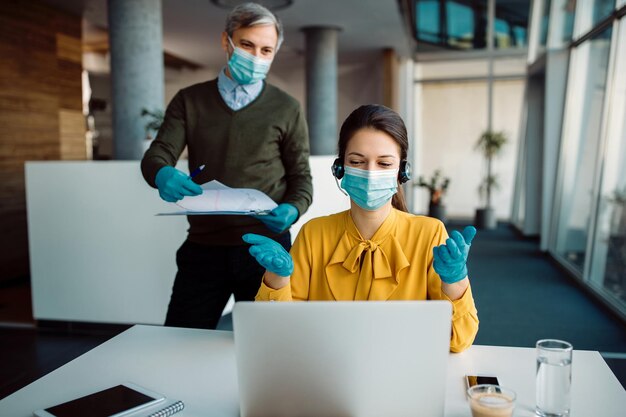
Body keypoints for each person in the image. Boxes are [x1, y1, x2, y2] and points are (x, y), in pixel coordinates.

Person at [243, 104, 478, 352]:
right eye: (357, 161)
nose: (370, 173)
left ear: (402, 172)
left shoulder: (428, 233)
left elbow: (458, 341)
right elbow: (278, 336)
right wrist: (277, 280)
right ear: (340, 168)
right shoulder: (314, 233)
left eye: (384, 164)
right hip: (324, 371)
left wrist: (455, 281)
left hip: (400, 372)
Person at [141, 2, 312, 330]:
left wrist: (293, 209)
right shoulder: (189, 100)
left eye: (266, 50)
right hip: (204, 247)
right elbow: (158, 153)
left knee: (269, 346)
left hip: (267, 249)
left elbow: (301, 177)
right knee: (180, 341)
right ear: (227, 41)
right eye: (247, 45)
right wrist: (162, 173)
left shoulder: (287, 108)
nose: (256, 56)